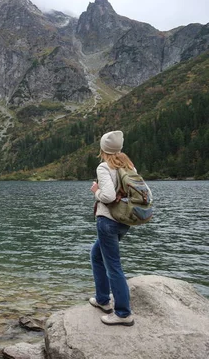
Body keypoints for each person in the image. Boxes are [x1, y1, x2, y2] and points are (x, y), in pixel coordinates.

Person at [89, 130, 136, 326]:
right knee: (96, 255)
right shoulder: (128, 165)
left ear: (103, 149)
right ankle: (102, 299)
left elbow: (107, 196)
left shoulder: (104, 167)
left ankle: (123, 313)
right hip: (124, 221)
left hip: (108, 221)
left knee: (113, 265)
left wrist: (96, 191)